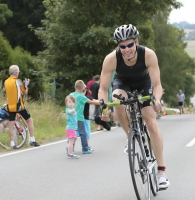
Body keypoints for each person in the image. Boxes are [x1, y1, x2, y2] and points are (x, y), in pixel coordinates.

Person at [98, 24, 169, 189]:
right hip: (123, 83)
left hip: (144, 83)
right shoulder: (111, 59)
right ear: (118, 47)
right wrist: (103, 107)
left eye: (130, 45)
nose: (127, 49)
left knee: (150, 122)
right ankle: (130, 136)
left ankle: (161, 171)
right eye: (122, 46)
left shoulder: (148, 55)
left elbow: (157, 85)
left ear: (136, 42)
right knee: (118, 102)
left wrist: (156, 100)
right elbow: (102, 89)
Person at [4, 65, 40, 149]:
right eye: (18, 72)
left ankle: (12, 143)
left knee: (11, 124)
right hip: (19, 106)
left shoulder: (6, 81)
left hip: (10, 106)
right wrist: (26, 85)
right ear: (16, 73)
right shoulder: (18, 81)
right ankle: (32, 139)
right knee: (30, 120)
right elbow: (25, 93)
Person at [70, 80, 100, 154]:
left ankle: (70, 148)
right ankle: (85, 149)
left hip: (71, 118)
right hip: (79, 118)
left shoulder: (71, 95)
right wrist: (101, 102)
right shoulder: (81, 96)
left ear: (74, 87)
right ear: (83, 88)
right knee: (83, 134)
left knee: (72, 133)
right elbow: (91, 102)